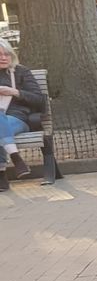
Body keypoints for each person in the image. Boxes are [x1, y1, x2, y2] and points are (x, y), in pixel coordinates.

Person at [0, 43, 47, 179]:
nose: (3, 58)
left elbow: (39, 99)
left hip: (17, 119)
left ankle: (1, 175)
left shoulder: (21, 72)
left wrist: (15, 92)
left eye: (6, 54)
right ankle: (16, 157)